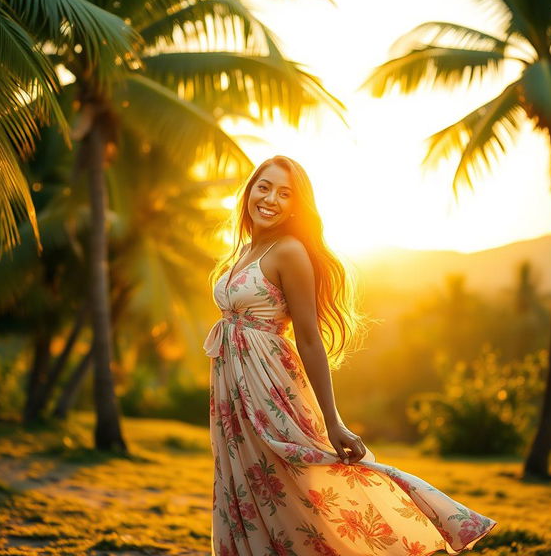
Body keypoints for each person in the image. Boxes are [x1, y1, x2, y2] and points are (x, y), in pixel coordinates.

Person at [204, 155, 497, 556]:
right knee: (245, 485)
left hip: (270, 388)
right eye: (264, 186)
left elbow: (308, 338)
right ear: (250, 190)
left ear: (297, 205)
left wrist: (333, 419)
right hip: (232, 393)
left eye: (284, 193)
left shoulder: (289, 251)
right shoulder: (246, 248)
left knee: (295, 485)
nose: (270, 198)